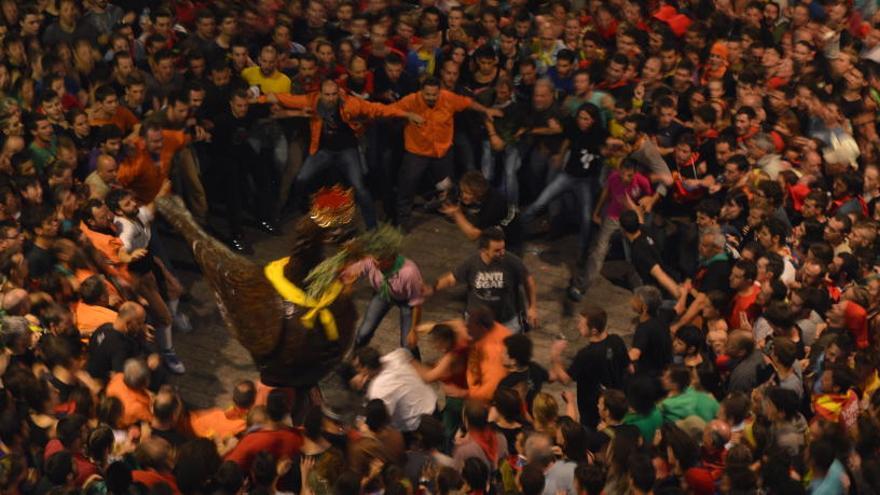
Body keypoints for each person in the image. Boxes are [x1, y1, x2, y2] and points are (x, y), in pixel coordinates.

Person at [391, 77, 503, 231]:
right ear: (421, 91)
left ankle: (449, 212)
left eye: (434, 94)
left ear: (439, 91)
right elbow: (391, 110)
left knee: (447, 186)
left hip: (441, 152)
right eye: (427, 94)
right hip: (417, 152)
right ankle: (402, 221)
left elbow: (468, 102)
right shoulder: (411, 100)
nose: (431, 97)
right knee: (407, 186)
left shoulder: (448, 98)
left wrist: (486, 110)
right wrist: (407, 115)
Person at [431, 227, 537, 333]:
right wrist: (432, 288)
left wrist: (532, 307)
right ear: (484, 250)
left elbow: (528, 280)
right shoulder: (472, 263)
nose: (502, 253)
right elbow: (451, 279)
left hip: (506, 321)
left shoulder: (512, 262)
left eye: (503, 248)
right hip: (478, 322)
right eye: (497, 250)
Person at [550, 304, 629, 429]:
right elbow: (629, 368)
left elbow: (566, 379)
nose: (578, 326)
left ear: (594, 331)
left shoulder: (586, 355)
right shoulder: (617, 340)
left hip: (593, 410)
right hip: (616, 404)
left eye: (581, 325)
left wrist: (555, 356)